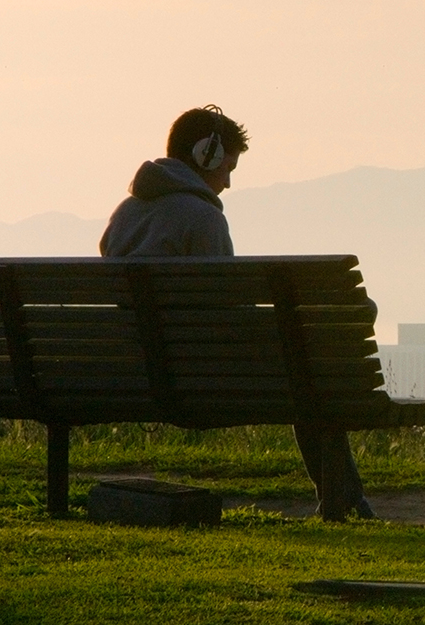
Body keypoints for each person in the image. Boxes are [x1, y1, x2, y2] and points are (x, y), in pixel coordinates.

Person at [100, 104, 375, 519]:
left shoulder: (123, 215)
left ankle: (348, 498)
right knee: (311, 370)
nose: (227, 183)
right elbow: (225, 315)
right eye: (227, 167)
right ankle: (346, 500)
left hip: (132, 372)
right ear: (204, 156)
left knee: (307, 365)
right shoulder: (202, 217)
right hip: (204, 377)